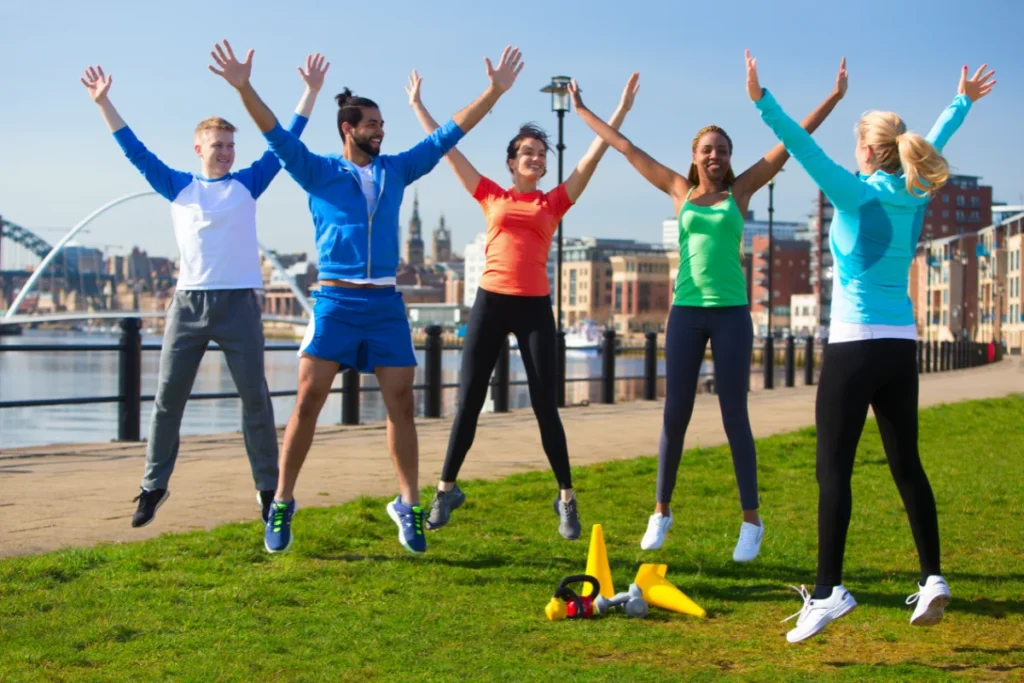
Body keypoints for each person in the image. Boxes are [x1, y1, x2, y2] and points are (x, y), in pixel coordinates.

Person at [210, 39, 525, 555]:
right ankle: (282, 502)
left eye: (383, 124)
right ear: (348, 129)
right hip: (334, 301)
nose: (382, 131)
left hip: (383, 305)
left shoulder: (396, 170)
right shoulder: (315, 170)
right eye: (373, 124)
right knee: (309, 401)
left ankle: (408, 505)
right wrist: (244, 86)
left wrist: (493, 91)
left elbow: (450, 133)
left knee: (402, 402)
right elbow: (272, 130)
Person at [746, 54, 995, 642]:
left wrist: (761, 99)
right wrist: (959, 103)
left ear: (865, 151)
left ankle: (829, 592)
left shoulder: (855, 195)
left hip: (854, 347)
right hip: (900, 349)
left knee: (833, 470)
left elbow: (799, 146)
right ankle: (933, 577)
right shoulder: (914, 192)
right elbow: (930, 142)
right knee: (906, 464)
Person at [573, 55, 848, 559]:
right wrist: (587, 109)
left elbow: (791, 142)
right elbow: (625, 148)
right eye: (707, 149)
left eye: (722, 149)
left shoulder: (740, 193)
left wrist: (832, 98)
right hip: (686, 312)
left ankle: (751, 521)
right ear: (694, 156)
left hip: (731, 314)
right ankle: (661, 510)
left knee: (733, 414)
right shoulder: (678, 191)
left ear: (729, 156)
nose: (715, 155)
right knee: (674, 412)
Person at [81, 54, 329, 529]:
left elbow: (286, 142)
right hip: (189, 305)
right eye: (218, 145)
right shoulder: (178, 187)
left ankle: (267, 492)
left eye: (231, 145)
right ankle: (154, 487)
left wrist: (311, 92)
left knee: (255, 399)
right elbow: (135, 152)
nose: (227, 152)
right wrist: (103, 103)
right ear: (198, 148)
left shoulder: (248, 184)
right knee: (167, 400)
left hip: (239, 304)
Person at [407, 70, 640, 540]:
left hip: (535, 307)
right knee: (469, 401)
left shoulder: (554, 202)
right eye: (527, 153)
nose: (535, 158)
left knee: (544, 405)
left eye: (541, 154)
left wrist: (618, 112)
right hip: (491, 303)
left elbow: (595, 155)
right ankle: (446, 489)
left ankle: (566, 498)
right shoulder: (490, 193)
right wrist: (418, 106)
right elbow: (447, 148)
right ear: (512, 162)